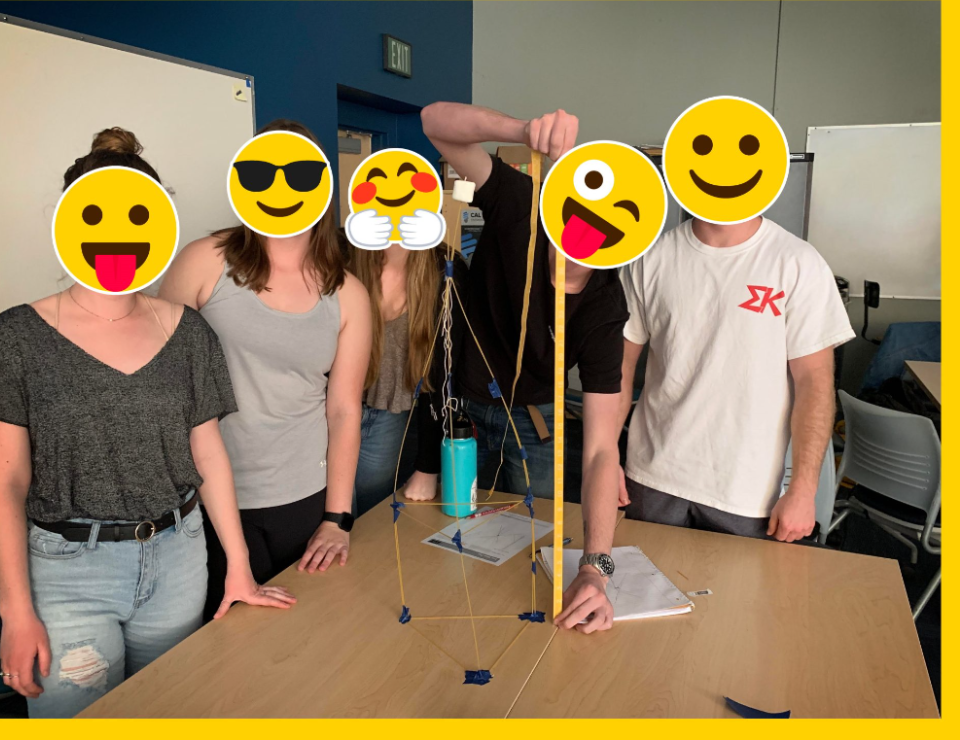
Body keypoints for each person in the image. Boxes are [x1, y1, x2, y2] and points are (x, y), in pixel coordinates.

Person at [0, 128, 292, 718]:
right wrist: (14, 612)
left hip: (180, 557)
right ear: (67, 221)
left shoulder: (188, 330)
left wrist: (237, 566)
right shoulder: (14, 337)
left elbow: (208, 454)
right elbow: (4, 485)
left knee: (172, 711)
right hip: (69, 571)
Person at [422, 103, 626, 633]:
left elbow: (603, 447)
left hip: (537, 427)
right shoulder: (522, 202)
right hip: (464, 414)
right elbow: (433, 124)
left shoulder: (606, 305)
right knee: (449, 547)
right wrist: (521, 131)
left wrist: (596, 568)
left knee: (532, 555)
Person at [159, 119, 370, 621]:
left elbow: (343, 410)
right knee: (220, 646)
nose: (281, 189)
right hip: (205, 499)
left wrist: (337, 517)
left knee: (300, 642)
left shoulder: (347, 295)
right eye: (262, 174)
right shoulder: (204, 263)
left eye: (299, 175)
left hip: (302, 498)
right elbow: (158, 378)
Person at [617, 214, 854, 541]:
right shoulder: (650, 257)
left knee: (741, 592)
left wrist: (802, 490)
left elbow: (814, 384)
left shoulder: (797, 261)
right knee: (637, 587)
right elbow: (619, 368)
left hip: (745, 491)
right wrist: (606, 458)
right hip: (652, 476)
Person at [347, 241, 467, 514]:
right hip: (324, 413)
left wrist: (429, 466)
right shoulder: (344, 251)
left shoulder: (445, 267)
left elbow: (445, 371)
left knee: (369, 518)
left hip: (386, 417)